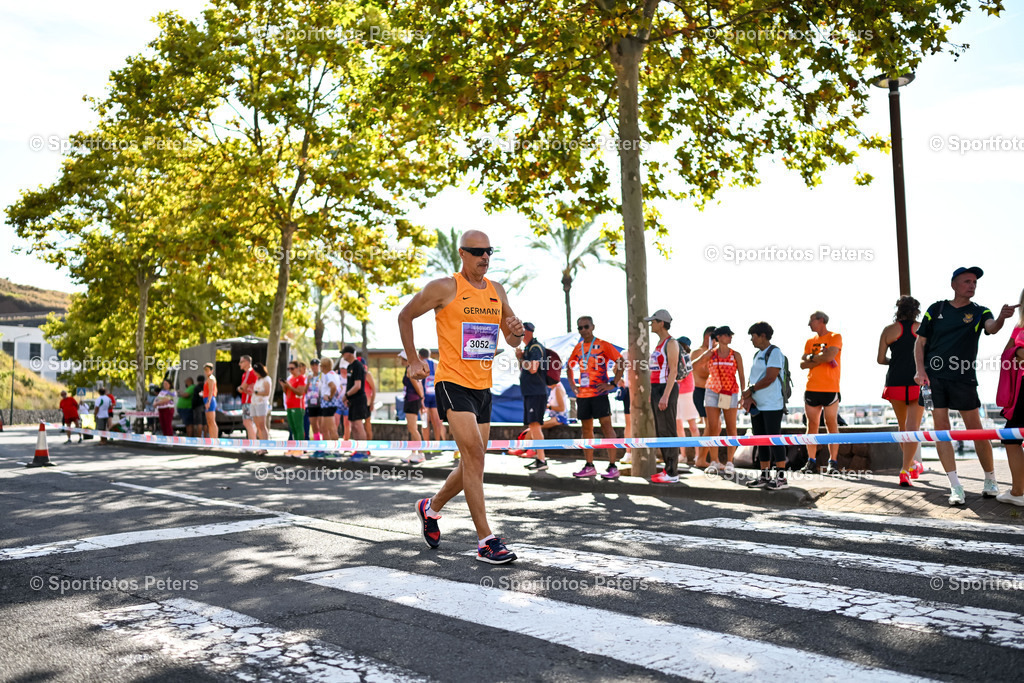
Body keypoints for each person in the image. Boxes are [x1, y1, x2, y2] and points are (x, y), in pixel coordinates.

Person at [399, 229, 522, 564]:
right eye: (477, 251)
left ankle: (431, 507)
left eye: (489, 252)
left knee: (473, 462)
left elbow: (511, 340)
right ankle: (486, 541)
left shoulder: (496, 290)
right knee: (476, 457)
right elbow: (405, 316)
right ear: (462, 253)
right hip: (452, 383)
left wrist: (515, 331)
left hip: (483, 387)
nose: (485, 257)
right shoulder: (445, 287)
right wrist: (413, 359)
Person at [914, 266, 1017, 505]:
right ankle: (955, 486)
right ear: (954, 284)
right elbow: (919, 343)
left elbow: (992, 327)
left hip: (964, 378)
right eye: (967, 281)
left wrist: (1001, 317)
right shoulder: (935, 309)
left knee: (976, 430)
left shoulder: (981, 311)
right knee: (941, 431)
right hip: (934, 379)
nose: (972, 285)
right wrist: (920, 370)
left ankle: (990, 479)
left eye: (974, 282)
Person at [567, 316, 623, 479]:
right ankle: (589, 465)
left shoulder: (603, 344)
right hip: (583, 395)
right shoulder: (578, 348)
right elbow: (568, 368)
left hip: (599, 394)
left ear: (592, 327)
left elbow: (621, 362)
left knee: (607, 428)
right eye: (580, 328)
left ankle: (613, 466)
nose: (583, 330)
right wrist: (573, 387)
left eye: (586, 327)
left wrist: (613, 384)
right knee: (586, 430)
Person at [877, 296, 926, 486]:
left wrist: (895, 362)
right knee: (913, 427)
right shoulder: (922, 328)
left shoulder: (888, 330)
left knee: (902, 427)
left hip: (895, 381)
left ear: (898, 310)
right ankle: (905, 470)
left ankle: (910, 466)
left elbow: (881, 359)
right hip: (916, 381)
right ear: (916, 310)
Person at [692, 326, 744, 475]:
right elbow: (694, 366)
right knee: (713, 427)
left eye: (730, 335)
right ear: (719, 337)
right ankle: (714, 461)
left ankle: (729, 461)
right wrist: (705, 355)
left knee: (731, 428)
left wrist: (742, 395)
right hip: (712, 392)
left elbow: (741, 375)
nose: (730, 337)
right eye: (727, 335)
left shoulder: (736, 355)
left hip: (729, 392)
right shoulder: (711, 354)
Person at [742, 322, 788, 490]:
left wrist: (751, 390)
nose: (751, 340)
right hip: (758, 404)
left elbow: (770, 377)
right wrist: (750, 397)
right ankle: (765, 475)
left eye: (753, 336)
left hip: (772, 404)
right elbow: (754, 378)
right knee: (760, 439)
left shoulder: (775, 352)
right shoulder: (757, 355)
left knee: (774, 439)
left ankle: (781, 477)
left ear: (762, 335)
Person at [799, 311, 842, 475]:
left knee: (831, 424)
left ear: (821, 320)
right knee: (812, 427)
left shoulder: (835, 336)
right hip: (812, 387)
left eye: (811, 321)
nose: (809, 324)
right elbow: (802, 364)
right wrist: (820, 357)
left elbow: (830, 355)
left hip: (830, 387)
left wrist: (812, 359)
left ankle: (833, 462)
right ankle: (811, 462)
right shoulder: (810, 341)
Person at [645, 309, 683, 482]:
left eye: (653, 321)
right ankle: (667, 469)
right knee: (661, 430)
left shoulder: (671, 343)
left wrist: (665, 395)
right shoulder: (660, 343)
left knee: (668, 429)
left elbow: (673, 370)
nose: (650, 324)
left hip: (665, 388)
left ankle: (672, 471)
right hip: (656, 389)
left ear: (661, 323)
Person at [996, 289, 1024, 506]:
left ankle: (1018, 491)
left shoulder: (1020, 327)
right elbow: (1007, 354)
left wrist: (1018, 352)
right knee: (1011, 436)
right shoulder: (1019, 327)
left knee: (1011, 437)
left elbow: (1009, 354)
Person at [516, 322, 549, 473]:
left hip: (536, 392)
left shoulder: (535, 347)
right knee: (534, 426)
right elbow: (524, 367)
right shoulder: (529, 348)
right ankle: (539, 458)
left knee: (535, 426)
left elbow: (533, 368)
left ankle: (541, 459)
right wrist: (521, 358)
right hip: (532, 392)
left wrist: (521, 359)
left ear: (528, 332)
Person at [342, 345, 371, 461]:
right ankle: (358, 449)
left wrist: (346, 395)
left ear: (349, 353)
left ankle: (363, 451)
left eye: (343, 353)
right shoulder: (349, 366)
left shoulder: (358, 366)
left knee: (358, 426)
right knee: (353, 426)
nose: (342, 356)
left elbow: (357, 386)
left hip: (359, 399)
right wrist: (348, 398)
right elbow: (350, 384)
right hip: (352, 400)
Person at [675, 336, 700, 462]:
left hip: (686, 393)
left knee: (692, 426)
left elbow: (679, 377)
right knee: (680, 425)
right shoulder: (677, 358)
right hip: (677, 393)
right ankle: (683, 455)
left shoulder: (685, 359)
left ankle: (697, 455)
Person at [398, 350, 426, 464]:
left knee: (413, 428)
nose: (400, 360)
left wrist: (421, 400)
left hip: (412, 400)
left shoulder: (410, 369)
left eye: (401, 358)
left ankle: (420, 453)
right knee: (412, 428)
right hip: (411, 400)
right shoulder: (409, 368)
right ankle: (414, 453)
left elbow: (418, 385)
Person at [418, 348, 446, 443]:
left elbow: (418, 381)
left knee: (425, 422)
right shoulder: (436, 364)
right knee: (437, 422)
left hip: (424, 396)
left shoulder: (420, 364)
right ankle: (437, 444)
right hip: (436, 396)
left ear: (420, 356)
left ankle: (427, 445)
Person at [280, 360, 308, 447]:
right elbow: (287, 392)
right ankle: (295, 447)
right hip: (289, 405)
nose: (290, 370)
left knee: (298, 427)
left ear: (297, 368)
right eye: (289, 369)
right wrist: (284, 386)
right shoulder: (290, 379)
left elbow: (300, 392)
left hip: (298, 406)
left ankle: (300, 448)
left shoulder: (301, 378)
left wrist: (289, 386)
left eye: (292, 368)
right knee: (293, 428)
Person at [320, 357, 341, 444]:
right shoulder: (334, 374)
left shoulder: (328, 375)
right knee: (324, 428)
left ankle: (335, 450)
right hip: (330, 404)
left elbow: (333, 387)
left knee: (331, 428)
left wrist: (330, 397)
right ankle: (326, 449)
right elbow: (340, 388)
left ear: (324, 366)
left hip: (328, 404)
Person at [251, 362, 272, 452]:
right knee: (257, 426)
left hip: (261, 404)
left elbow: (267, 392)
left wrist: (256, 392)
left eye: (256, 372)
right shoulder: (258, 380)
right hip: (254, 403)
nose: (255, 374)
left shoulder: (266, 379)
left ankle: (265, 446)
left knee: (262, 425)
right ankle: (260, 446)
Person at [238, 355, 258, 442]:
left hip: (248, 401)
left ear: (247, 362)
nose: (239, 364)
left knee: (247, 422)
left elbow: (241, 388)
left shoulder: (249, 372)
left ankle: (253, 443)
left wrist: (240, 389)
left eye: (241, 362)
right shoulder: (246, 373)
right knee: (249, 423)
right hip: (250, 401)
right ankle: (252, 443)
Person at [202, 362, 219, 439]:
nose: (206, 372)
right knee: (209, 421)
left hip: (210, 400)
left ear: (211, 370)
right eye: (205, 370)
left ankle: (214, 438)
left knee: (212, 421)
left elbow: (211, 391)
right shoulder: (209, 379)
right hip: (207, 399)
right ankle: (212, 438)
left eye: (207, 370)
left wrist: (208, 401)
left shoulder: (211, 379)